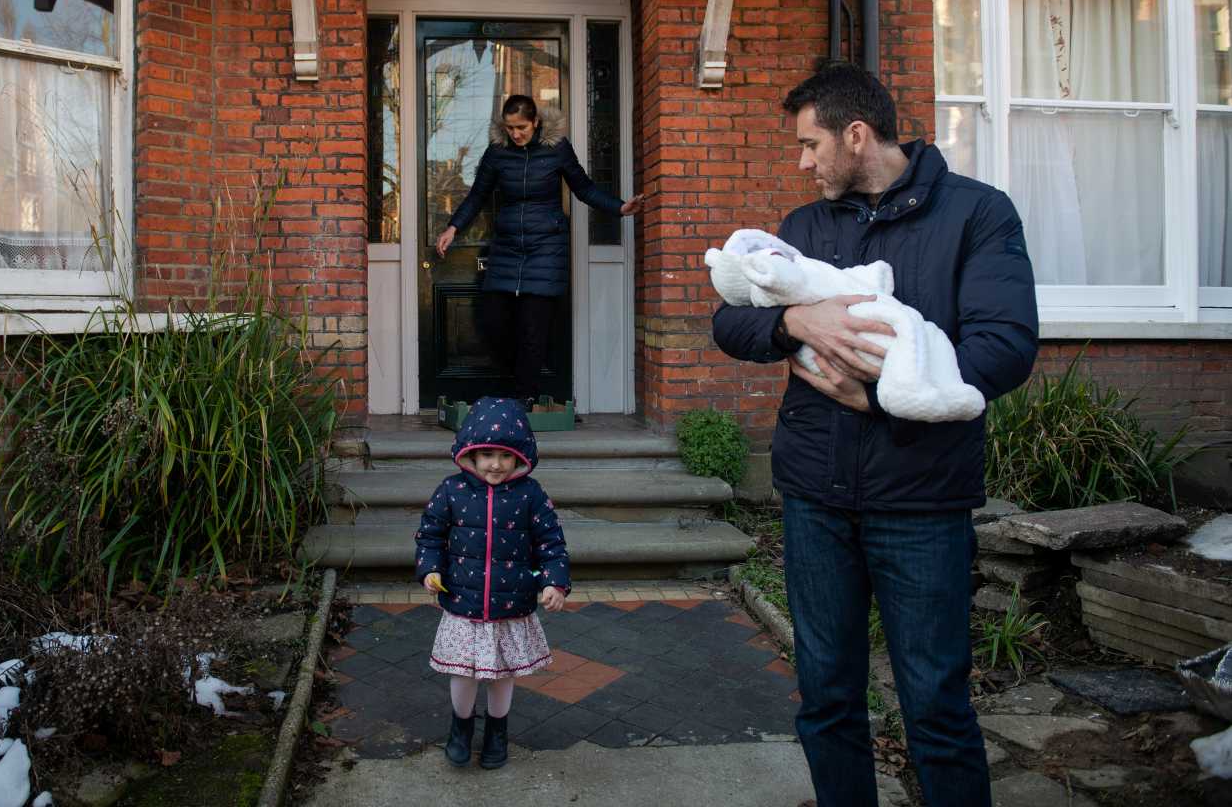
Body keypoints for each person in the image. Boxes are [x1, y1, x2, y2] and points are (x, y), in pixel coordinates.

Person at [711, 61, 1038, 807]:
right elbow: (730, 318)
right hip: (815, 498)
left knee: (935, 707)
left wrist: (883, 397)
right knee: (826, 697)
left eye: (809, 145)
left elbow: (1006, 345)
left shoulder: (978, 215)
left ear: (855, 135)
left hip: (921, 498)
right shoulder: (804, 227)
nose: (802, 162)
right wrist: (795, 319)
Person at [434, 94, 643, 405]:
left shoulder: (556, 149)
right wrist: (453, 227)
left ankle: (525, 397)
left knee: (534, 329)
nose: (515, 134)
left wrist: (620, 207)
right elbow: (477, 195)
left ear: (535, 123)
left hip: (546, 248)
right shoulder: (498, 153)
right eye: (509, 128)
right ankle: (514, 383)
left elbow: (583, 187)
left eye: (521, 127)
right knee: (493, 322)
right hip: (506, 248)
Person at [414, 395, 570, 769]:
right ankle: (461, 727)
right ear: (470, 454)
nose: (496, 465)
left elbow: (551, 542)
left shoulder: (530, 495)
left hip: (510, 605)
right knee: (462, 673)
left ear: (520, 457)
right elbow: (430, 536)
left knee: (503, 675)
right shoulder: (451, 491)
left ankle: (497, 731)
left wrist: (554, 582)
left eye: (504, 456)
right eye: (487, 455)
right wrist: (429, 570)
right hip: (463, 606)